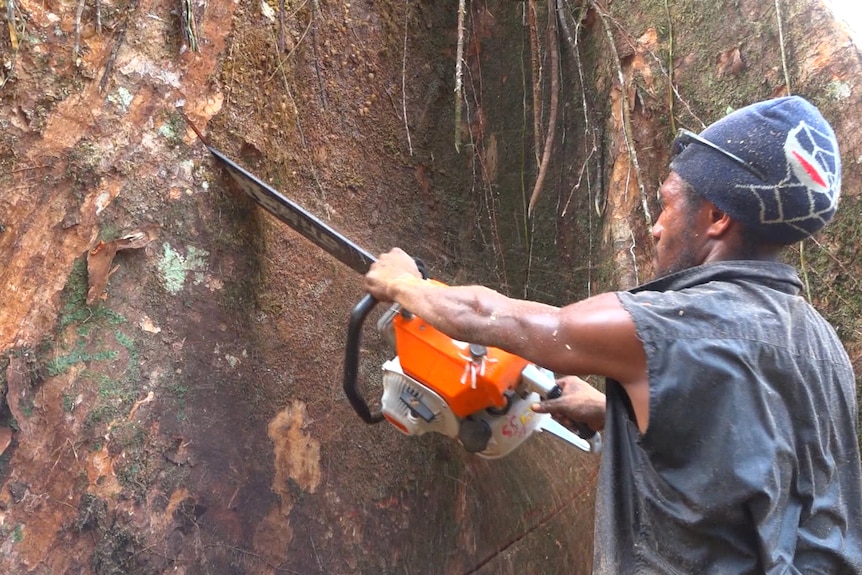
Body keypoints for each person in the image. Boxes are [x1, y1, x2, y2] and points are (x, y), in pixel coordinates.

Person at [364, 96, 862, 573]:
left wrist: (405, 284)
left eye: (667, 205)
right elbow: (757, 462)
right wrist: (611, 415)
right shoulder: (822, 345)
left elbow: (506, 320)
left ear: (717, 216)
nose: (655, 227)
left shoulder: (673, 324)